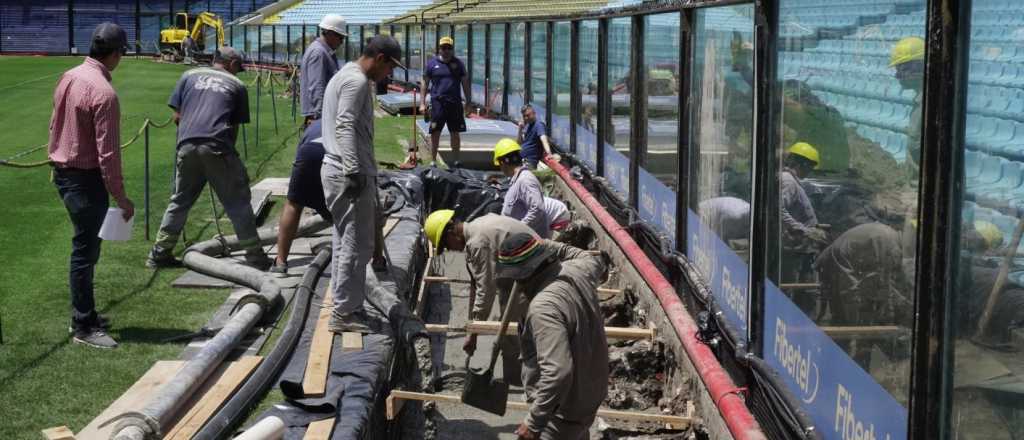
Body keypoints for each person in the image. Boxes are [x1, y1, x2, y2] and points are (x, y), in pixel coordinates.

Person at [48, 22, 134, 349]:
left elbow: (54, 123)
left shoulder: (70, 76)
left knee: (86, 248)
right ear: (114, 54)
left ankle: (87, 314)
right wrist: (122, 198)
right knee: (85, 251)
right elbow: (108, 154)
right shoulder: (104, 93)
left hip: (65, 172)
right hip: (84, 178)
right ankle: (83, 324)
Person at [147, 47, 272, 270]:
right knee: (237, 202)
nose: (238, 72)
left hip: (186, 145)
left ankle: (159, 254)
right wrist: (224, 165)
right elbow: (232, 129)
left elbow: (177, 116)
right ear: (232, 63)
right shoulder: (237, 85)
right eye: (238, 68)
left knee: (180, 201)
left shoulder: (189, 75)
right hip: (217, 146)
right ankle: (255, 256)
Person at [320, 35, 404, 334]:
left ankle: (345, 305)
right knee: (356, 245)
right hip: (346, 172)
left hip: (336, 168)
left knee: (346, 243)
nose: (389, 74)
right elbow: (344, 124)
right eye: (390, 67)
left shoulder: (344, 75)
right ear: (379, 58)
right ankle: (345, 313)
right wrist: (354, 169)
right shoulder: (356, 82)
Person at [495, 233, 609, 440]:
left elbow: (558, 372)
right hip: (589, 392)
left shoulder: (544, 308)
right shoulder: (578, 270)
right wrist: (545, 244)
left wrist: (534, 421)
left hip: (561, 410)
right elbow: (589, 257)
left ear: (522, 274)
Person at [423, 209, 538, 385]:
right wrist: (472, 330)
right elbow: (475, 285)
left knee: (514, 330)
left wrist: (474, 330)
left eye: (446, 245)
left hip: (533, 273)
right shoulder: (476, 227)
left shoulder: (477, 243)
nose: (450, 250)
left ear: (451, 232)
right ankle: (515, 378)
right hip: (517, 271)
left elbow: (486, 290)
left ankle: (526, 381)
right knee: (508, 326)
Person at [814, 222, 911, 368]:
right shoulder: (890, 245)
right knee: (848, 324)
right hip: (837, 264)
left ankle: (836, 364)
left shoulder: (888, 236)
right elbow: (884, 286)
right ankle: (838, 368)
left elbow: (883, 284)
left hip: (836, 262)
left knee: (847, 321)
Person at [269, 119, 333, 274]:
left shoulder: (314, 125)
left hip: (309, 150)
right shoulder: (355, 120)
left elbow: (299, 158)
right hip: (337, 150)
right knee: (365, 203)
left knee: (294, 204)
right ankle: (378, 260)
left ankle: (280, 262)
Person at [408, 36, 471, 167]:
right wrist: (422, 103)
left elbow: (465, 83)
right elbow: (425, 83)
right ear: (439, 49)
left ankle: (456, 160)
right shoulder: (432, 64)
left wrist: (469, 102)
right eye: (444, 48)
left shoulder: (458, 64)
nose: (446, 50)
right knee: (435, 133)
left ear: (452, 49)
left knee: (455, 132)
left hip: (455, 103)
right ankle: (433, 161)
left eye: (449, 48)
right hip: (438, 104)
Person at [495, 138, 549, 237]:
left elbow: (537, 208)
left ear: (503, 163)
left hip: (529, 243)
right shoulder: (517, 180)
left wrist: (519, 229)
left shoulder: (525, 180)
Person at [889, 36, 925, 183]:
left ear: (919, 66)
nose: (897, 75)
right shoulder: (920, 101)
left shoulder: (932, 104)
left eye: (902, 69)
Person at [300, 14, 346, 126]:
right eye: (340, 37)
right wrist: (318, 117)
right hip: (320, 117)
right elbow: (317, 86)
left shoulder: (322, 51)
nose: (342, 42)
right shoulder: (319, 53)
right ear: (330, 33)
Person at [517, 104, 555, 169]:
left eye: (528, 115)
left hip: (529, 162)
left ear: (534, 113)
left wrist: (549, 153)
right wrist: (520, 129)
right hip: (521, 160)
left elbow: (543, 139)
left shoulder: (539, 125)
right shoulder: (527, 126)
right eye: (524, 116)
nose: (526, 118)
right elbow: (519, 143)